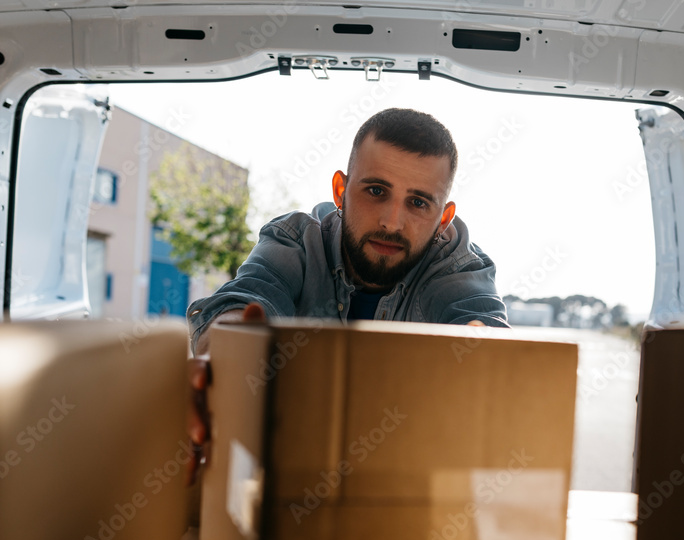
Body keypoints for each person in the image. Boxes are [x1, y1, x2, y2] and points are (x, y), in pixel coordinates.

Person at [186, 108, 509, 479]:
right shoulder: (295, 242)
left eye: (418, 203)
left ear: (444, 218)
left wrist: (487, 362)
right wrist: (224, 357)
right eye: (376, 191)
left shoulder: (457, 266)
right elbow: (244, 302)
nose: (392, 221)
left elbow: (487, 336)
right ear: (341, 190)